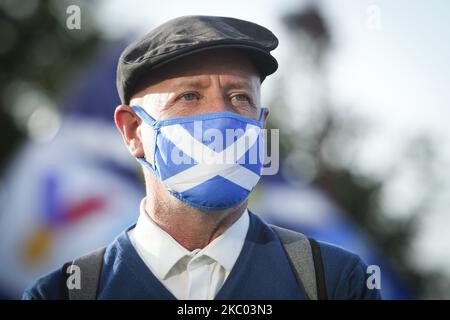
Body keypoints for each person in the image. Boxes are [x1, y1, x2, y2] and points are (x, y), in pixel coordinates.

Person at [23, 15, 381, 300]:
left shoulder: (335, 283)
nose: (222, 117)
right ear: (133, 131)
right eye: (190, 96)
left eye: (240, 97)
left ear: (261, 123)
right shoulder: (63, 293)